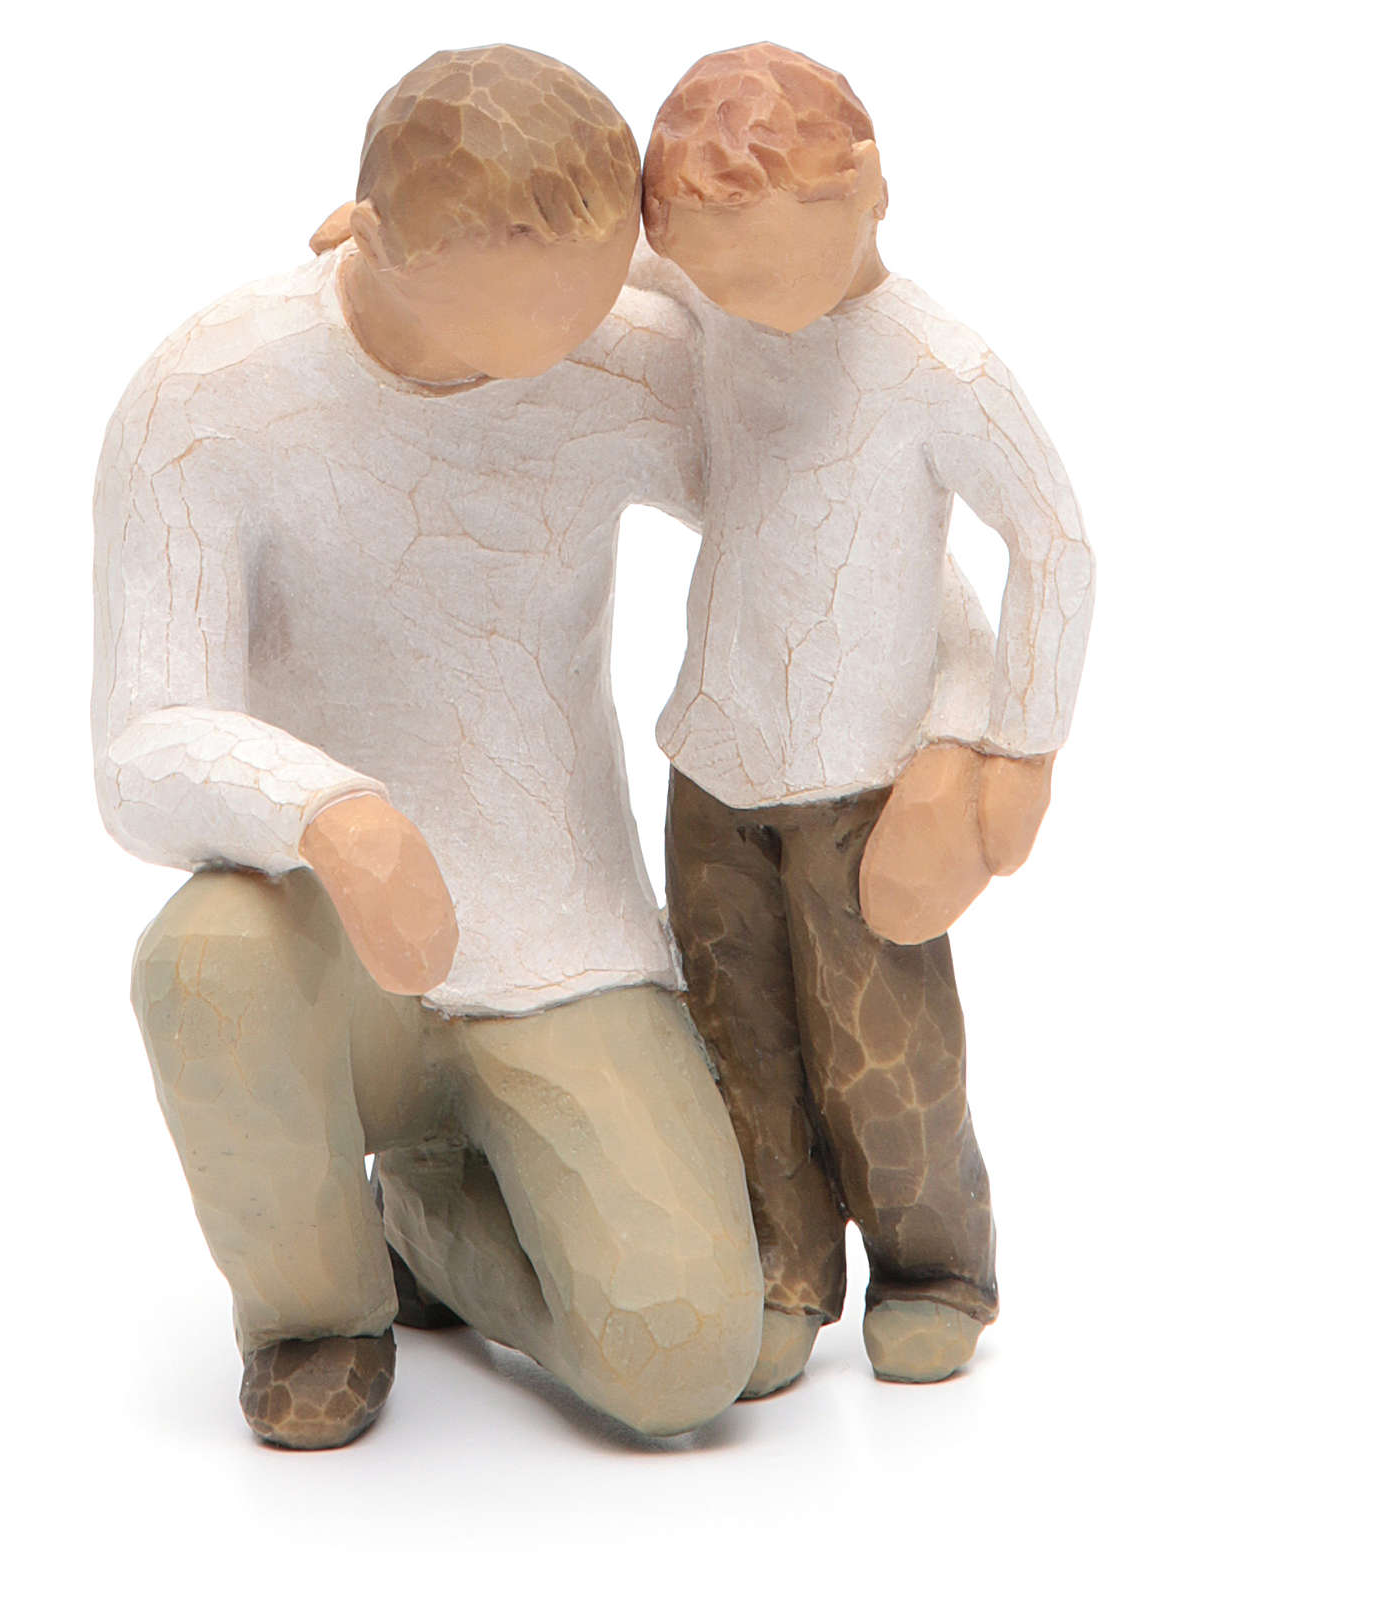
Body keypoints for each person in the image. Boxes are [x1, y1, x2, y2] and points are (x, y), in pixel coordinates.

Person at [93, 44, 761, 1448]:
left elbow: (818, 515)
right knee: (201, 961)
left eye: (598, 294)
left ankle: (432, 1217)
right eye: (512, 328)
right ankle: (317, 1310)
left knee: (685, 1361)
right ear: (367, 237)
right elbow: (142, 741)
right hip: (328, 941)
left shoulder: (616, 355)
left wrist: (978, 730)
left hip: (553, 940)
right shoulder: (210, 395)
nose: (569, 351)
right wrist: (332, 815)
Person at [642, 43, 1095, 1395]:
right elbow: (628, 270)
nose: (735, 300)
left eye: (762, 264)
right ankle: (784, 1263)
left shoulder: (935, 365)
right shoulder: (714, 301)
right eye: (713, 268)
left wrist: (1020, 751)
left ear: (868, 189)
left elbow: (1054, 546)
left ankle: (933, 1263)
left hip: (863, 773)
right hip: (716, 757)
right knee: (739, 1032)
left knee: (881, 1043)